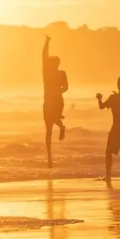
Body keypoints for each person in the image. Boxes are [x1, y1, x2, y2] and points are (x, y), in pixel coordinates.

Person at [41, 36, 69, 168]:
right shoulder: (46, 72)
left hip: (57, 101)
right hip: (47, 102)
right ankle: (49, 157)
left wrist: (59, 91)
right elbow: (43, 55)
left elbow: (66, 87)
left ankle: (61, 125)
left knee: (53, 119)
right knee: (48, 130)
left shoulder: (62, 73)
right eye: (53, 62)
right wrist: (47, 42)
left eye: (57, 63)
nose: (55, 65)